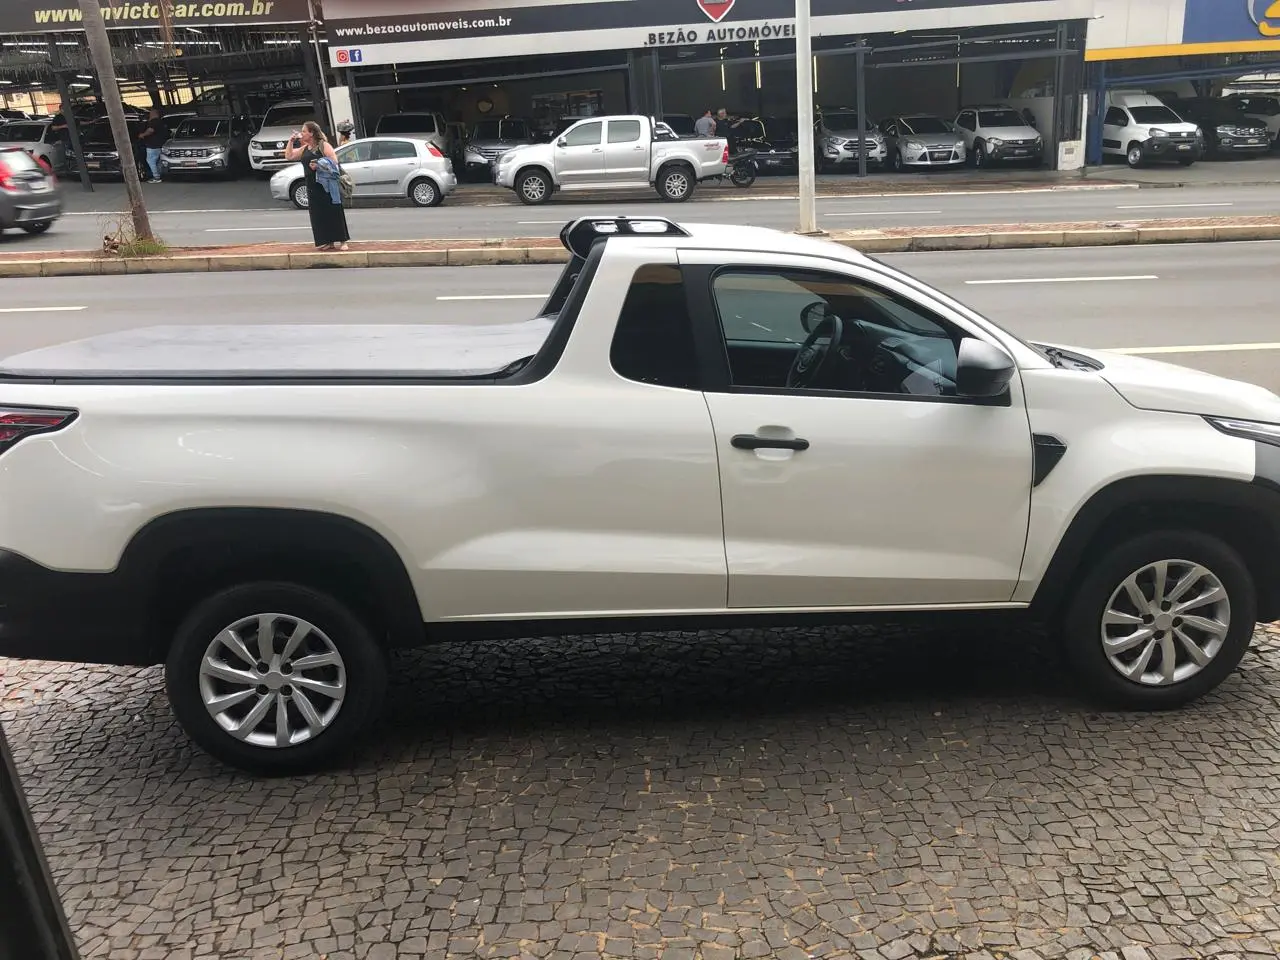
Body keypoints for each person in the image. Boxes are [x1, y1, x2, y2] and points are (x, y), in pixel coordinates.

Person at [285, 120, 349, 251]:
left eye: (304, 131)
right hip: (312, 186)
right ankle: (328, 241)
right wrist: (291, 141)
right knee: (319, 215)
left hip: (327, 185)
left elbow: (334, 162)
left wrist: (319, 164)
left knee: (334, 212)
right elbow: (289, 156)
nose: (302, 133)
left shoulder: (323, 145)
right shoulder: (305, 148)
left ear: (311, 133)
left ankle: (343, 241)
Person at [137, 108, 168, 183]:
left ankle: (156, 177)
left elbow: (150, 130)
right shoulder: (161, 122)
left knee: (150, 160)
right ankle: (159, 175)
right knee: (158, 161)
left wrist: (143, 135)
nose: (149, 115)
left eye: (150, 113)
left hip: (153, 145)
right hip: (160, 145)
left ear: (153, 114)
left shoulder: (154, 122)